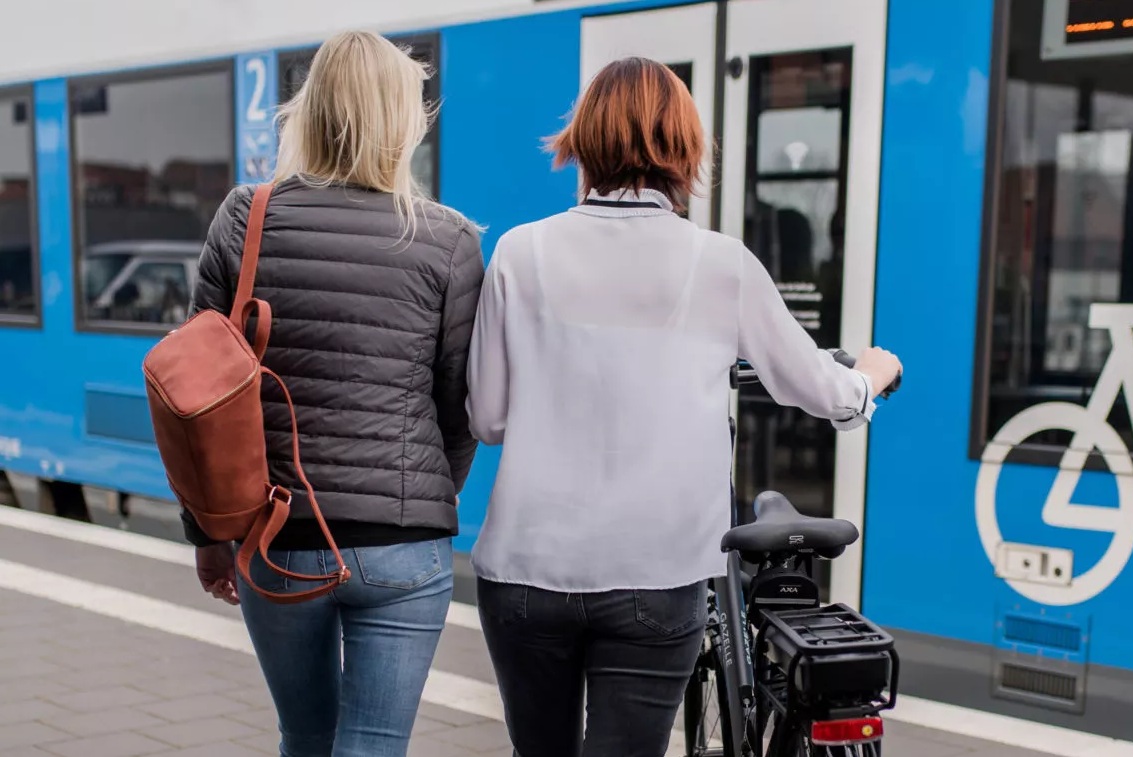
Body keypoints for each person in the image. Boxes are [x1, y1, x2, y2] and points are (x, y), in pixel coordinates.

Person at [465, 57, 902, 757]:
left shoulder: (520, 252)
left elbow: (486, 418)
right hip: (654, 575)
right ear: (685, 149)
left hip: (525, 572)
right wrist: (872, 375)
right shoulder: (721, 262)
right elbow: (819, 390)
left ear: (583, 141)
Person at [183, 31, 484, 757]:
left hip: (274, 534)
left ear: (308, 113)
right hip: (403, 548)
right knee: (374, 745)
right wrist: (418, 503)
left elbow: (200, 397)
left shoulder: (245, 217)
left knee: (306, 734)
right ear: (402, 120)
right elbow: (459, 409)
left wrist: (211, 534)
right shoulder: (448, 240)